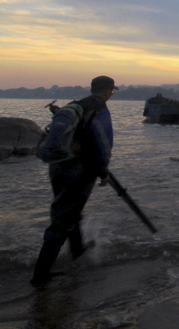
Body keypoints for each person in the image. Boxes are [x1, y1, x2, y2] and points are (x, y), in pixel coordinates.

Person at [31, 75, 117, 287]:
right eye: (112, 91)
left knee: (69, 211)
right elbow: (102, 146)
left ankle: (77, 251)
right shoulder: (99, 109)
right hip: (79, 170)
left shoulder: (76, 105)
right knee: (64, 218)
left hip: (58, 166)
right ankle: (40, 275)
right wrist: (103, 172)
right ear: (108, 91)